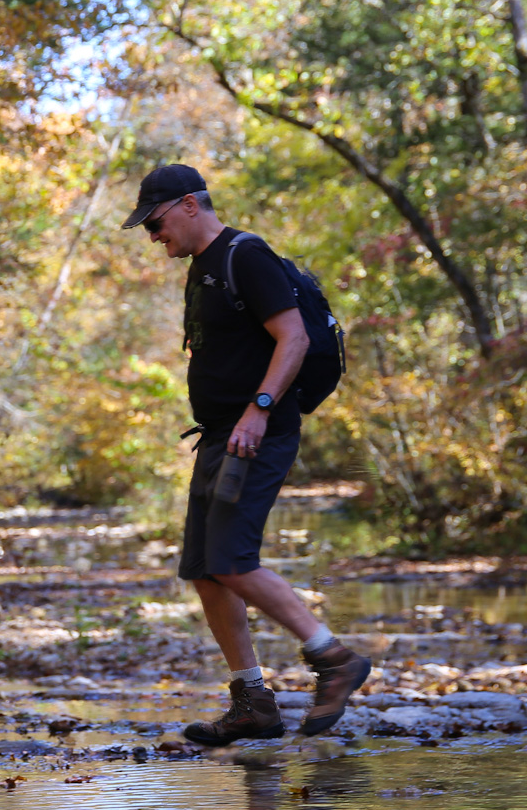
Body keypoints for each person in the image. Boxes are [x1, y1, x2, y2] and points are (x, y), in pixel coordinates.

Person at [121, 163, 370, 743]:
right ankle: (252, 701)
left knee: (233, 559)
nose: (152, 236)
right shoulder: (203, 269)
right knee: (207, 571)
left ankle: (335, 660)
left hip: (259, 432)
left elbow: (295, 338)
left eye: (155, 223)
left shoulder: (245, 255)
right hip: (220, 436)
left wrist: (258, 409)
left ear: (189, 205)